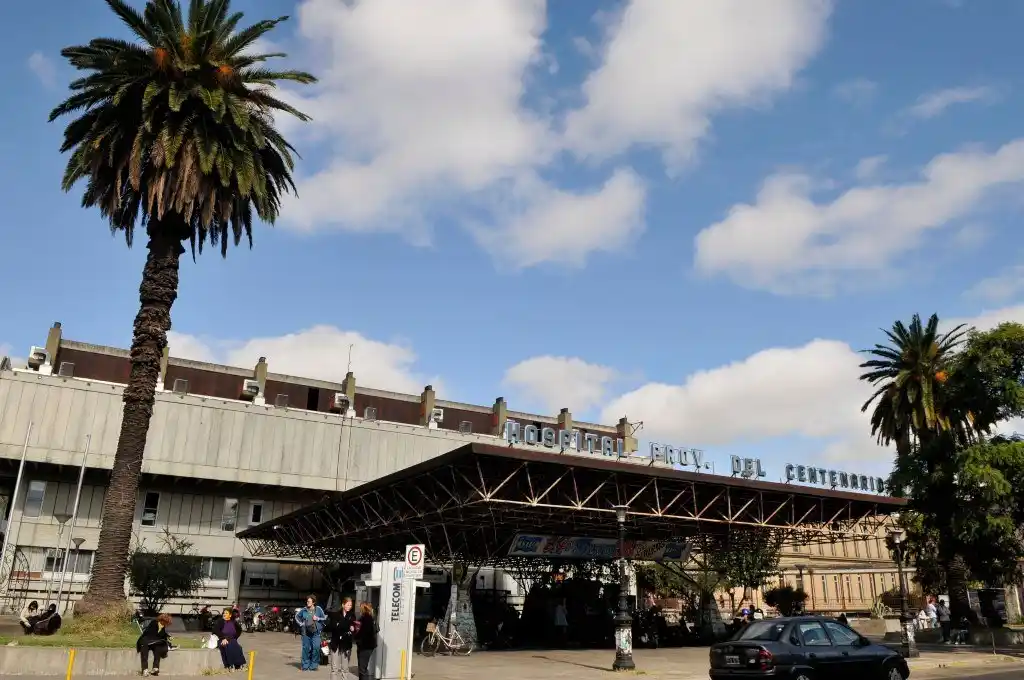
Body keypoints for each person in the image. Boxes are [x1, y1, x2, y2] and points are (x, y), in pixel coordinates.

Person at [326, 598, 356, 680]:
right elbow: (333, 627)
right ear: (343, 604)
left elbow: (353, 628)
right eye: (348, 604)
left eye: (350, 605)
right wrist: (346, 626)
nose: (349, 607)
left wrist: (351, 628)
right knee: (334, 668)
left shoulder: (352, 615)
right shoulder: (335, 614)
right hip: (335, 643)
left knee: (345, 668)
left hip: (346, 644)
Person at [295, 594, 326, 671]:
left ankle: (314, 665)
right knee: (306, 649)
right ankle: (305, 665)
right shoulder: (304, 610)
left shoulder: (318, 609)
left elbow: (324, 618)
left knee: (316, 648)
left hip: (316, 633)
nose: (307, 602)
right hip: (306, 632)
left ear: (313, 602)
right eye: (307, 601)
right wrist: (301, 624)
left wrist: (318, 618)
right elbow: (297, 616)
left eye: (309, 601)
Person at [137, 613, 173, 677]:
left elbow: (163, 634)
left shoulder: (162, 626)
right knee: (144, 650)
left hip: (153, 642)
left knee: (158, 648)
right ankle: (145, 669)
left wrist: (168, 636)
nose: (167, 624)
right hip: (146, 640)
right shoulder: (154, 623)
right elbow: (151, 634)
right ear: (162, 620)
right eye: (166, 623)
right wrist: (160, 640)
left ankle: (155, 668)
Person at [355, 603, 377, 680]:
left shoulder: (366, 618)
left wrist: (355, 631)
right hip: (368, 645)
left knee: (362, 669)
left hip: (365, 646)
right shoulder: (371, 617)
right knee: (363, 668)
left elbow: (363, 632)